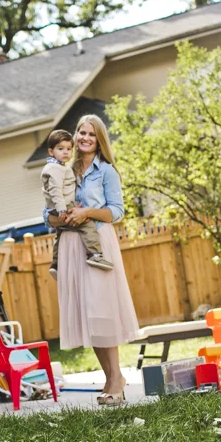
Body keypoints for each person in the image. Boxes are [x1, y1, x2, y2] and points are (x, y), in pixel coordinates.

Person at [50, 115, 139, 406]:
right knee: (89, 313)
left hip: (98, 243)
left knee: (102, 310)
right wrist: (57, 217)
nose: (84, 137)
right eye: (80, 132)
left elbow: (116, 212)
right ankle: (111, 378)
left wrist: (86, 212)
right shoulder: (64, 168)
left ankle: (116, 378)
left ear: (99, 138)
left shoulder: (107, 171)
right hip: (71, 244)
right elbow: (48, 208)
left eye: (90, 133)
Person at [40, 129, 112, 280]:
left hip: (61, 209)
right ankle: (94, 255)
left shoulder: (62, 167)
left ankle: (55, 264)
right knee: (87, 225)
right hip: (62, 207)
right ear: (51, 151)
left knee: (59, 234)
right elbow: (55, 191)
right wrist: (62, 210)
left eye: (68, 149)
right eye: (61, 149)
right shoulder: (56, 169)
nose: (66, 152)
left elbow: (116, 210)